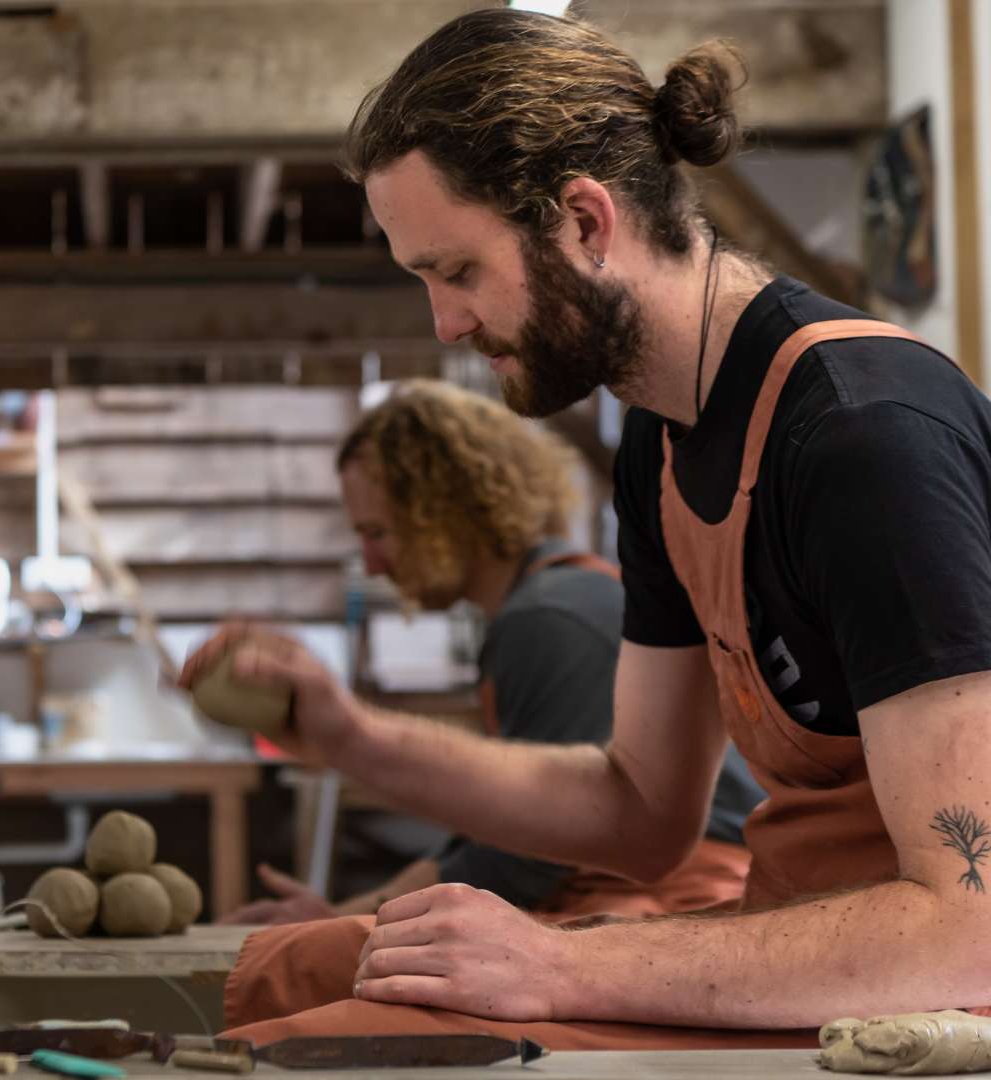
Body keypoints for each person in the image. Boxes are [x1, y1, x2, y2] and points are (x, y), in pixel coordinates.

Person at [181, 7, 991, 1051]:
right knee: (295, 984)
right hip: (803, 961)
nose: (444, 325)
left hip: (919, 1003)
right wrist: (350, 736)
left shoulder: (860, 436)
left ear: (584, 222)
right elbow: (640, 810)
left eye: (456, 271)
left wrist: (557, 962)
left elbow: (965, 926)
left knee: (322, 1052)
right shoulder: (659, 443)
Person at [217, 381, 762, 929]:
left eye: (377, 533)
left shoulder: (549, 616)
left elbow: (528, 855)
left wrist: (344, 926)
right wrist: (338, 918)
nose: (373, 564)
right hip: (631, 887)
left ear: (446, 511)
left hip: (677, 899)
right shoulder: (545, 601)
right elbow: (500, 830)